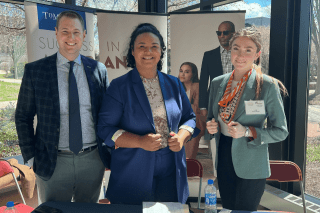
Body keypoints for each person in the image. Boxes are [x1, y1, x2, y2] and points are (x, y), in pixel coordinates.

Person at [15, 10, 109, 203]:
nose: (71, 37)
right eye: (65, 31)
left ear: (84, 35)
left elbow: (107, 114)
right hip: (52, 161)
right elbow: (23, 116)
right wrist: (31, 156)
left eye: (76, 32)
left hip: (92, 160)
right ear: (56, 33)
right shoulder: (36, 71)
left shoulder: (98, 70)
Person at [97, 23, 197, 205]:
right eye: (141, 46)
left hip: (171, 170)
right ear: (133, 52)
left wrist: (181, 138)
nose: (148, 51)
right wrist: (140, 141)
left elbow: (190, 118)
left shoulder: (174, 83)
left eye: (154, 46)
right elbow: (105, 129)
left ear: (161, 52)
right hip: (133, 171)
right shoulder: (119, 87)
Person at [206, 26, 288, 211]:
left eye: (248, 50)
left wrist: (248, 131)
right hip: (224, 155)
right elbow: (212, 118)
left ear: (257, 54)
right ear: (229, 51)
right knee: (227, 208)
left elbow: (281, 131)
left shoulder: (267, 86)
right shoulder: (218, 83)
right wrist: (211, 127)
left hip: (252, 162)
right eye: (236, 48)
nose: (240, 55)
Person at [199, 21, 236, 119]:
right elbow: (203, 82)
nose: (222, 36)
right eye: (219, 33)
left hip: (237, 99)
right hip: (214, 101)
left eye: (225, 32)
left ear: (234, 34)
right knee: (215, 131)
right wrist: (202, 106)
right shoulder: (209, 56)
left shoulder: (240, 55)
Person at [178, 62, 205, 159]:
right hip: (178, 123)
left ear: (193, 74)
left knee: (189, 157)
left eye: (186, 72)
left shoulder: (197, 86)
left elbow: (196, 108)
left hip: (194, 123)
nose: (182, 74)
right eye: (181, 71)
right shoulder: (177, 86)